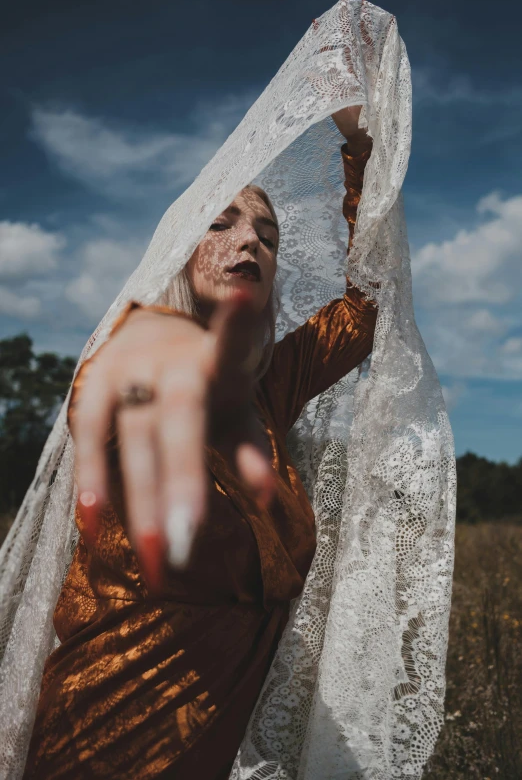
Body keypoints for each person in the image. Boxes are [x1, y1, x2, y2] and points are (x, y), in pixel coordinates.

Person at [22, 106, 378, 780]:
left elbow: (365, 305)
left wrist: (358, 145)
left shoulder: (271, 387)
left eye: (267, 235)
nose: (248, 241)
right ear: (182, 250)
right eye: (221, 223)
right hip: (101, 744)